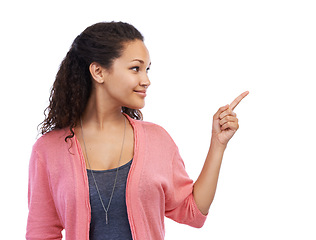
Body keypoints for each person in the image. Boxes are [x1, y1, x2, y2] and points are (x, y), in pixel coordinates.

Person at [26, 21, 248, 240]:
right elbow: (41, 233)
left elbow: (192, 213)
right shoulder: (48, 150)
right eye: (135, 68)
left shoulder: (157, 140)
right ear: (98, 72)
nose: (146, 80)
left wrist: (217, 145)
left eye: (147, 69)